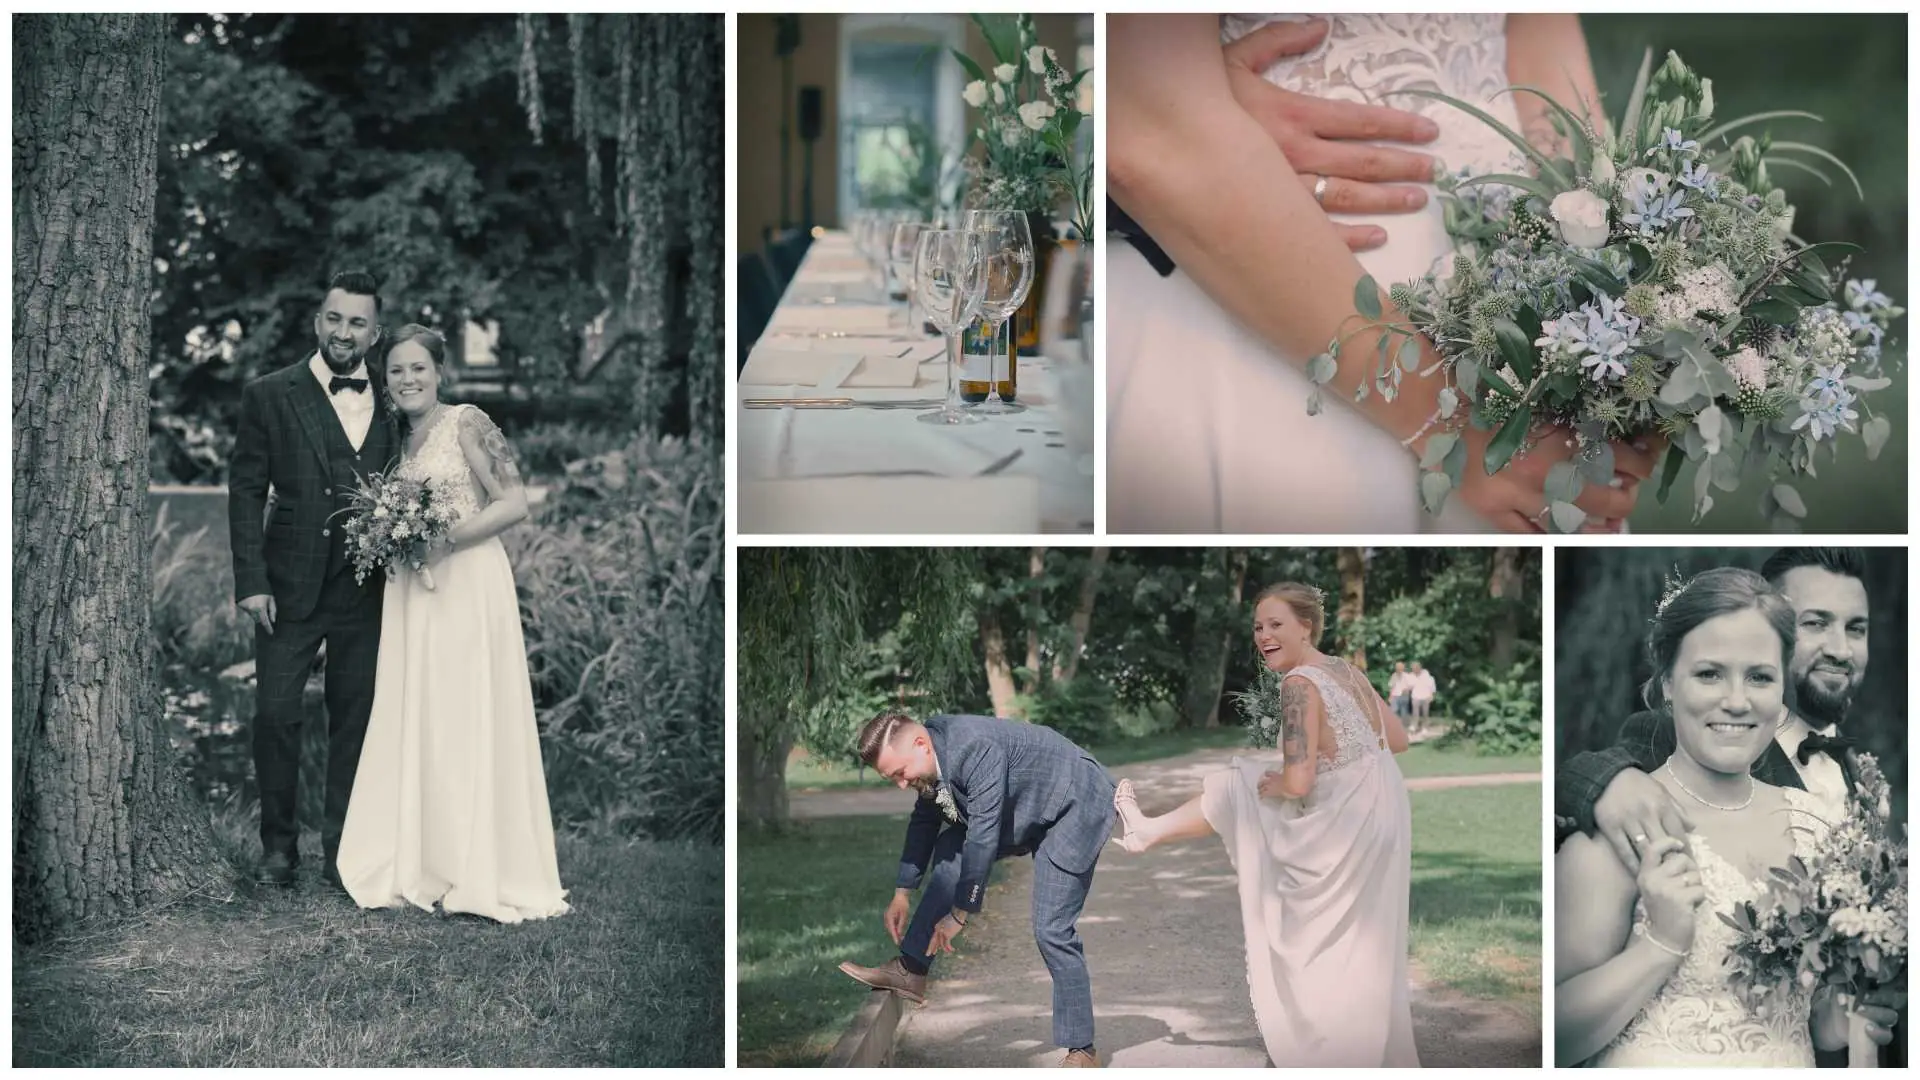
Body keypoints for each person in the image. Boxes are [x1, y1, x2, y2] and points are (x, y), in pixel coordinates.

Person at [1106, 15, 1660, 533]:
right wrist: (1454, 426)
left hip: (1519, 339)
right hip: (1278, 302)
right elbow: (1150, 126)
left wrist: (1620, 309)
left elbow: (1543, 53)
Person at [1557, 547, 1900, 1064]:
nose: (1737, 700)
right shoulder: (1628, 816)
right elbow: (1552, 1042)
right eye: (1710, 674)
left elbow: (1807, 1018)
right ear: (1668, 682)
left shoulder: (1821, 824)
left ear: (1783, 685)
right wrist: (1662, 945)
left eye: (1760, 677)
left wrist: (1838, 1021)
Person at [1110, 582, 1417, 1066]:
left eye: (1276, 624)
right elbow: (1396, 740)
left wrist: (1280, 783)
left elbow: (1297, 781)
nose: (1264, 635)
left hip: (1346, 819)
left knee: (1244, 787)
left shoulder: (1298, 685)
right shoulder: (1346, 671)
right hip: (1383, 807)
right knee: (1359, 935)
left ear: (1306, 626)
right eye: (1258, 627)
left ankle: (1147, 831)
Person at [334, 325, 569, 924]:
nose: (408, 379)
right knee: (425, 715)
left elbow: (514, 503)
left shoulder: (468, 422)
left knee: (466, 713)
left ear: (439, 372)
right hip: (414, 592)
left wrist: (443, 541)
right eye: (396, 372)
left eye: (418, 368)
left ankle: (477, 863)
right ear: (384, 382)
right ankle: (426, 857)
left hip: (466, 584)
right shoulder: (396, 440)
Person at [228, 270, 400, 888]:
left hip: (368, 590)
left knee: (354, 718)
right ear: (317, 322)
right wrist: (251, 579)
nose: (343, 332)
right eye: (335, 319)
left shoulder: (394, 398)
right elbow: (246, 489)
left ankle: (341, 852)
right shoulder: (269, 393)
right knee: (275, 716)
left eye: (357, 323)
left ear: (374, 335)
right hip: (286, 586)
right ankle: (278, 849)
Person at [837, 712, 1116, 1068]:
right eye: (892, 777)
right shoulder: (933, 750)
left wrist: (959, 913)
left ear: (920, 744)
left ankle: (1082, 1050)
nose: (900, 784)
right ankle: (911, 969)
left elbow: (983, 835)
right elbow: (924, 821)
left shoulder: (974, 749)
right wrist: (902, 890)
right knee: (951, 849)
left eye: (899, 773)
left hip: (1072, 805)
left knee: (1052, 929)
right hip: (1024, 807)